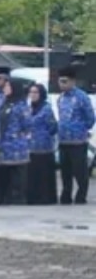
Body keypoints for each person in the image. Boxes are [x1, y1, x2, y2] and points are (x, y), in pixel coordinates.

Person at [56, 65, 94, 205]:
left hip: (78, 140)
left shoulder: (82, 97)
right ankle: (66, 195)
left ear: (73, 81)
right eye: (60, 81)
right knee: (65, 171)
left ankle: (81, 195)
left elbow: (90, 117)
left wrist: (80, 129)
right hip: (63, 140)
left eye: (65, 81)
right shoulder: (60, 98)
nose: (62, 84)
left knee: (80, 171)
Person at [0, 77, 31, 205]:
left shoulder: (21, 105)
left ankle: (18, 197)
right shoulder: (5, 103)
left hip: (17, 145)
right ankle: (5, 196)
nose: (5, 89)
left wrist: (19, 135)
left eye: (7, 86)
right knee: (5, 172)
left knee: (18, 173)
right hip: (4, 144)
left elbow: (26, 124)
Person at [26, 83, 58, 205]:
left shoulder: (46, 109)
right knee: (32, 174)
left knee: (44, 174)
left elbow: (53, 127)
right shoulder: (28, 109)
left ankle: (46, 197)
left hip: (44, 148)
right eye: (31, 92)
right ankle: (33, 197)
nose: (33, 95)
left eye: (36, 92)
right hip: (31, 148)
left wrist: (43, 135)